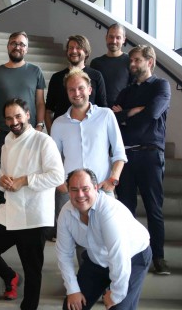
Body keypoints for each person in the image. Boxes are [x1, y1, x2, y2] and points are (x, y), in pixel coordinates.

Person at [26, 169, 151, 310]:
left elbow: (119, 257)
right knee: (71, 307)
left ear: (96, 188)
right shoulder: (66, 213)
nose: (80, 195)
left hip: (133, 257)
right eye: (74, 190)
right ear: (68, 191)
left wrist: (116, 294)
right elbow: (64, 253)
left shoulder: (109, 211)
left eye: (85, 189)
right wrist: (73, 290)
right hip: (96, 259)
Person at [0, 98, 64, 310]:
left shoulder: (43, 141)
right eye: (9, 118)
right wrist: (2, 180)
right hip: (11, 209)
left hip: (35, 214)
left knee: (32, 270)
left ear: (28, 115)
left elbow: (58, 176)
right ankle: (10, 276)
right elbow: (2, 174)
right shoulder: (6, 141)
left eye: (18, 116)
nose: (14, 122)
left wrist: (25, 180)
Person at [112, 45, 171, 276]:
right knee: (126, 209)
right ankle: (130, 255)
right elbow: (113, 118)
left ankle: (158, 257)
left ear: (150, 62)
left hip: (150, 155)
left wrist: (126, 116)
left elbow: (152, 114)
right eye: (132, 61)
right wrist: (131, 112)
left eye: (137, 60)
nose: (132, 64)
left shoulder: (161, 86)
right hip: (126, 156)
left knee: (153, 209)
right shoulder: (126, 92)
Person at [51, 69, 126, 222]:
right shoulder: (58, 123)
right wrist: (59, 183)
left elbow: (119, 152)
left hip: (102, 190)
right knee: (69, 235)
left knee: (107, 235)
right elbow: (52, 158)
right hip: (70, 193)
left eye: (81, 88)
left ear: (90, 90)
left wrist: (113, 179)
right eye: (71, 89)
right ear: (67, 93)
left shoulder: (106, 115)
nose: (76, 93)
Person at [0, 31, 46, 214]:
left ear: (26, 49)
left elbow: (40, 102)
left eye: (21, 44)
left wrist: (40, 125)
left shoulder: (35, 71)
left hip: (28, 135)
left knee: (26, 176)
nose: (17, 47)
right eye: (14, 43)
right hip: (2, 133)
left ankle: (24, 218)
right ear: (8, 46)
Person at [45, 35, 107, 132]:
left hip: (90, 131)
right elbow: (48, 111)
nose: (74, 51)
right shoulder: (56, 77)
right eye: (71, 48)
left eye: (78, 48)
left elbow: (102, 108)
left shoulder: (96, 76)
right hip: (63, 131)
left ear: (86, 52)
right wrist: (52, 134)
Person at [90, 23, 131, 107]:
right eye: (111, 37)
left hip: (121, 111)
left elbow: (133, 89)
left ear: (124, 40)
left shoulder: (130, 61)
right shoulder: (96, 63)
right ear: (106, 38)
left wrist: (125, 110)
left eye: (118, 38)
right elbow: (92, 91)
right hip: (99, 110)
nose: (114, 41)